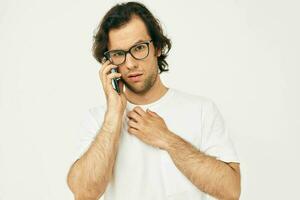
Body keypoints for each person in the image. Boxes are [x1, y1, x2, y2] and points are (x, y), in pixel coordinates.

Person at [67, 2, 241, 200]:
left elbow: (231, 191)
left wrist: (166, 139)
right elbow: (84, 193)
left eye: (139, 48)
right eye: (118, 54)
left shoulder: (201, 110)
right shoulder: (99, 119)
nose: (130, 64)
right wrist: (114, 114)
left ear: (157, 47)